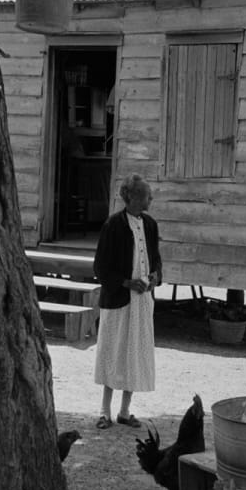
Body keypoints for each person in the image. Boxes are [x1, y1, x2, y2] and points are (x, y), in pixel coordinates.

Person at [93, 173, 162, 429]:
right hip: (119, 300)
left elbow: (155, 259)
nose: (150, 198)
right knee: (113, 351)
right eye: (146, 194)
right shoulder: (113, 225)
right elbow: (100, 267)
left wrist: (155, 276)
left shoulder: (151, 225)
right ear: (131, 197)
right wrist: (126, 283)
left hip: (141, 301)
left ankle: (124, 411)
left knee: (134, 353)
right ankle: (104, 411)